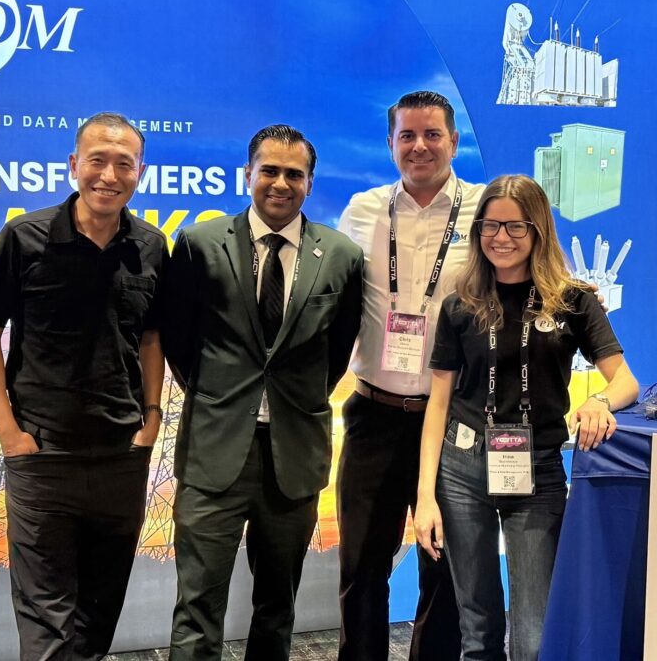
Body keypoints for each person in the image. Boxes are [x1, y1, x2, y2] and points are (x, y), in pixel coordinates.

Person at [0, 112, 168, 661]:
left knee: (98, 616)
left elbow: (152, 337)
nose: (109, 175)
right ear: (75, 164)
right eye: (97, 160)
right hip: (43, 457)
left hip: (121, 456)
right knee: (46, 622)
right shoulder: (25, 237)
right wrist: (9, 434)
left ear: (140, 172)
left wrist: (151, 419)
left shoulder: (151, 246)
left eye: (124, 163)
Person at [414, 174, 639, 661]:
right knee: (477, 628)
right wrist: (425, 497)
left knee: (535, 632)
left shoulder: (573, 301)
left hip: (537, 469)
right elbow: (438, 404)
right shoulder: (459, 304)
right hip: (462, 467)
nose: (501, 237)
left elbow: (625, 381)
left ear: (538, 230)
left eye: (516, 226)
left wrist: (599, 402)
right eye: (491, 226)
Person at [163, 124, 364, 661]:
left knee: (277, 609)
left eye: (294, 174)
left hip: (294, 456)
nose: (280, 183)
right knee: (196, 608)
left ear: (309, 183)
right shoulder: (199, 245)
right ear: (247, 174)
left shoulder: (342, 256)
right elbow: (180, 341)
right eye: (269, 171)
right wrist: (223, 396)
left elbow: (337, 350)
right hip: (214, 452)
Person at [336, 90, 477, 660]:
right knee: (361, 566)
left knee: (445, 570)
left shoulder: (486, 210)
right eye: (408, 135)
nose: (420, 146)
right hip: (374, 413)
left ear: (454, 142)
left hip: (455, 418)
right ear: (390, 143)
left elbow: (534, 275)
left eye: (432, 134)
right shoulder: (362, 211)